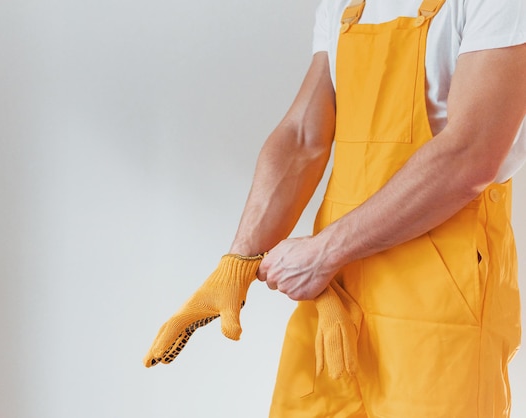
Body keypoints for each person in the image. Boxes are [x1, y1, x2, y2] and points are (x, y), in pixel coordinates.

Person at [144, 0, 526, 416]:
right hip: (337, 295)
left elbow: (469, 154)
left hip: (440, 293)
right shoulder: (346, 4)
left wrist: (324, 252)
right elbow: (303, 137)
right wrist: (238, 260)